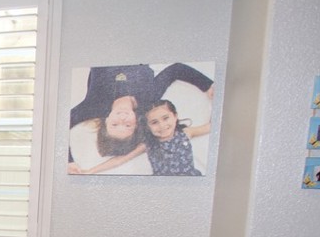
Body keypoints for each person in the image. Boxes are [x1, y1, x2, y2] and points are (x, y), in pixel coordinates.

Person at [68, 62, 214, 175]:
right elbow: (176, 69)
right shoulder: (149, 98)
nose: (122, 119)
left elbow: (60, 126)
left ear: (105, 121)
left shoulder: (92, 106)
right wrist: (208, 85)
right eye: (127, 126)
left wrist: (69, 161)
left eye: (115, 124)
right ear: (137, 123)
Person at [143, 100, 201, 176]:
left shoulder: (185, 133)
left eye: (165, 118)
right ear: (148, 126)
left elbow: (210, 127)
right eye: (154, 122)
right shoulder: (150, 143)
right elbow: (132, 153)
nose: (162, 125)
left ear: (175, 116)